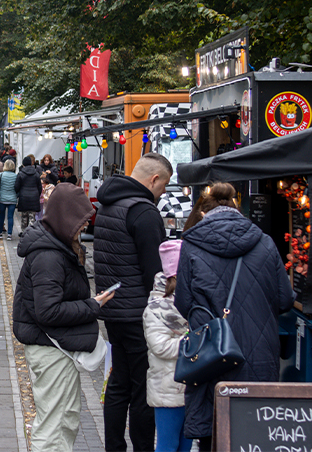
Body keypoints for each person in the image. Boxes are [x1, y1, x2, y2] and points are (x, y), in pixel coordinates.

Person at [175, 183, 295, 450]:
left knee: (212, 426)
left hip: (211, 353)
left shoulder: (192, 244)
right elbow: (285, 299)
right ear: (237, 209)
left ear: (205, 213)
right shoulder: (264, 241)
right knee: (255, 428)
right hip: (259, 349)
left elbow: (183, 303)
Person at [12, 183, 113, 451]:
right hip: (51, 349)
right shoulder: (49, 255)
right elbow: (49, 311)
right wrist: (92, 305)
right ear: (66, 218)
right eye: (81, 220)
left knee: (64, 419)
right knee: (55, 426)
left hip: (54, 348)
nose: (84, 227)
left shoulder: (54, 246)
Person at [93, 152, 173, 452]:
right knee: (143, 388)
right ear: (153, 179)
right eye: (163, 186)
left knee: (118, 382)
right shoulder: (143, 211)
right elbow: (156, 271)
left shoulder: (108, 203)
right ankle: (142, 447)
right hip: (139, 313)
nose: (163, 193)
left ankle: (114, 446)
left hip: (113, 309)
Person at [143, 240, 192, 452]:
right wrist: (192, 342)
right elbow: (160, 346)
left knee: (186, 444)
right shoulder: (156, 307)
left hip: (188, 385)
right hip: (167, 388)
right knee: (167, 444)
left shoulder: (189, 299)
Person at [15, 156, 42, 234]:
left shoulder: (20, 174)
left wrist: (19, 193)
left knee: (24, 216)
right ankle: (31, 233)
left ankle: (24, 232)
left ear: (23, 164)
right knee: (32, 216)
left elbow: (16, 187)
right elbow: (39, 187)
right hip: (34, 197)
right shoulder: (36, 174)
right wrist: (37, 195)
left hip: (24, 197)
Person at [0, 159, 18, 241]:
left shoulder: (1, 175)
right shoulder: (15, 176)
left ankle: (0, 233)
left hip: (2, 199)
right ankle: (10, 234)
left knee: (1, 216)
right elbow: (18, 187)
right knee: (10, 217)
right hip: (12, 199)